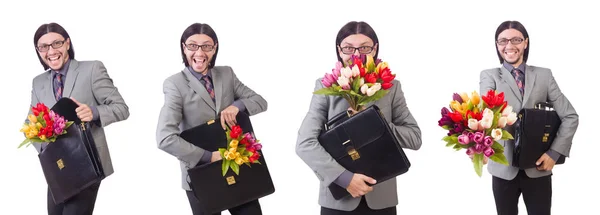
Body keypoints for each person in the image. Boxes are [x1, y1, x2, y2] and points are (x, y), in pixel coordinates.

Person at [295, 21, 422, 215]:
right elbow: (305, 143)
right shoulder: (325, 87)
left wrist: (373, 123)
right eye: (348, 48)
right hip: (338, 201)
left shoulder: (391, 87)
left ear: (375, 49)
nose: (356, 55)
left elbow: (414, 138)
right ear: (339, 50)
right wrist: (344, 178)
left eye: (364, 48)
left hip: (381, 200)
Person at [155, 23, 268, 215]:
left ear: (214, 48)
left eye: (206, 46)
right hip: (201, 173)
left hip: (237, 165)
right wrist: (209, 156)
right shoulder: (175, 84)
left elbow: (260, 101)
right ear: (184, 48)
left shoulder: (226, 74)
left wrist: (236, 106)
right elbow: (165, 138)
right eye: (193, 46)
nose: (199, 52)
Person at [27, 22, 130, 215]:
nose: (51, 51)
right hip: (57, 167)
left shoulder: (91, 70)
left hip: (87, 163)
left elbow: (121, 108)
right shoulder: (38, 82)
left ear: (67, 43)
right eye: (43, 47)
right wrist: (44, 145)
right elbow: (30, 122)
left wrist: (94, 112)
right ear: (38, 51)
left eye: (56, 43)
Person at [479, 20, 579, 215]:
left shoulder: (544, 75)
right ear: (497, 45)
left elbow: (570, 116)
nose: (509, 46)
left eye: (516, 39)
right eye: (503, 41)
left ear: (525, 42)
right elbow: (486, 114)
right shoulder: (489, 76)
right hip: (503, 168)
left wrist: (554, 153)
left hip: (538, 166)